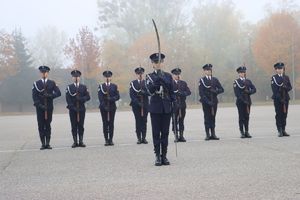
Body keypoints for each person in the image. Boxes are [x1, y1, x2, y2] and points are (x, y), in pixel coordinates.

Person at [145, 52, 175, 166]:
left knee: (165, 133)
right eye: (156, 62)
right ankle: (157, 155)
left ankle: (164, 155)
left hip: (166, 107)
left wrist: (174, 102)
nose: (158, 64)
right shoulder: (149, 76)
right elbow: (150, 90)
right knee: (156, 133)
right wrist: (157, 80)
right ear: (152, 64)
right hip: (155, 108)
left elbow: (171, 90)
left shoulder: (167, 76)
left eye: (160, 62)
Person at [32, 66, 61, 150]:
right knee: (41, 125)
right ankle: (43, 143)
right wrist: (40, 105)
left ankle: (48, 143)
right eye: (42, 72)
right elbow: (34, 96)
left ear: (48, 73)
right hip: (40, 108)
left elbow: (58, 93)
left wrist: (50, 96)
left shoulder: (52, 83)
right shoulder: (36, 83)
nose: (44, 73)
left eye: (45, 72)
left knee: (48, 124)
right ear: (40, 73)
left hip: (49, 107)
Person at [199, 64, 224, 141]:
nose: (208, 71)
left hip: (214, 102)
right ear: (204, 71)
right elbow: (201, 93)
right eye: (207, 70)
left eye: (209, 70)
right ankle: (207, 134)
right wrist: (207, 101)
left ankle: (213, 134)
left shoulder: (215, 80)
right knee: (207, 117)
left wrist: (215, 91)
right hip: (206, 102)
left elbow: (221, 89)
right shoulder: (202, 80)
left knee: (213, 117)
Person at [66, 70, 90, 148]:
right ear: (72, 78)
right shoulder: (69, 87)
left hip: (81, 109)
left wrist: (81, 99)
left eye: (77, 77)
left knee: (81, 125)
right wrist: (73, 107)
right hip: (73, 109)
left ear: (79, 77)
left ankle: (81, 141)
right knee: (74, 125)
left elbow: (88, 97)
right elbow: (68, 99)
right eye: (74, 77)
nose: (76, 78)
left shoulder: (84, 87)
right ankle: (75, 141)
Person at [98, 70, 120, 146]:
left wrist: (111, 99)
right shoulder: (101, 86)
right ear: (104, 78)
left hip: (112, 107)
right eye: (106, 77)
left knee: (111, 123)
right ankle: (106, 140)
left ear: (111, 77)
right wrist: (104, 106)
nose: (107, 78)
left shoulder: (114, 86)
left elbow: (117, 96)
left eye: (109, 76)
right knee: (105, 123)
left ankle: (111, 139)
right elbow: (100, 97)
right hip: (103, 108)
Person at [233, 66, 256, 138]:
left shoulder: (248, 81)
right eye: (240, 73)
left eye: (243, 72)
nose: (242, 74)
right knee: (241, 117)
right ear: (238, 74)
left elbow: (254, 89)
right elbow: (237, 93)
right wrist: (243, 100)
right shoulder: (236, 82)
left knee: (247, 117)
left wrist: (249, 92)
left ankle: (246, 131)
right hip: (240, 102)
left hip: (248, 101)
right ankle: (241, 132)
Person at [271, 62, 292, 137]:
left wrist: (285, 88)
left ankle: (283, 129)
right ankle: (279, 130)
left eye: (281, 69)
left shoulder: (286, 77)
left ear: (283, 69)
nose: (280, 70)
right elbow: (274, 90)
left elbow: (290, 87)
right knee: (279, 114)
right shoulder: (274, 78)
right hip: (277, 99)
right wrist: (280, 98)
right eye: (278, 69)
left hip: (286, 98)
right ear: (276, 70)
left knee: (284, 114)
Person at [129, 67, 149, 144]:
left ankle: (144, 138)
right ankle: (139, 138)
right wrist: (138, 102)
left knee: (144, 121)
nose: (139, 75)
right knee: (138, 121)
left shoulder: (146, 82)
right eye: (138, 74)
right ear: (136, 74)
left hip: (145, 104)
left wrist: (144, 93)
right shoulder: (133, 83)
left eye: (141, 74)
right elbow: (132, 95)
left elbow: (150, 92)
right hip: (136, 105)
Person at [171, 67, 191, 142]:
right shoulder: (170, 83)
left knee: (181, 120)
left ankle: (181, 135)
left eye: (178, 74)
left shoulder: (183, 83)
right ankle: (176, 136)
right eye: (175, 74)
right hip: (174, 105)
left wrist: (182, 93)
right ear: (173, 75)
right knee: (174, 121)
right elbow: (169, 94)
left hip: (182, 104)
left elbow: (188, 92)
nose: (177, 76)